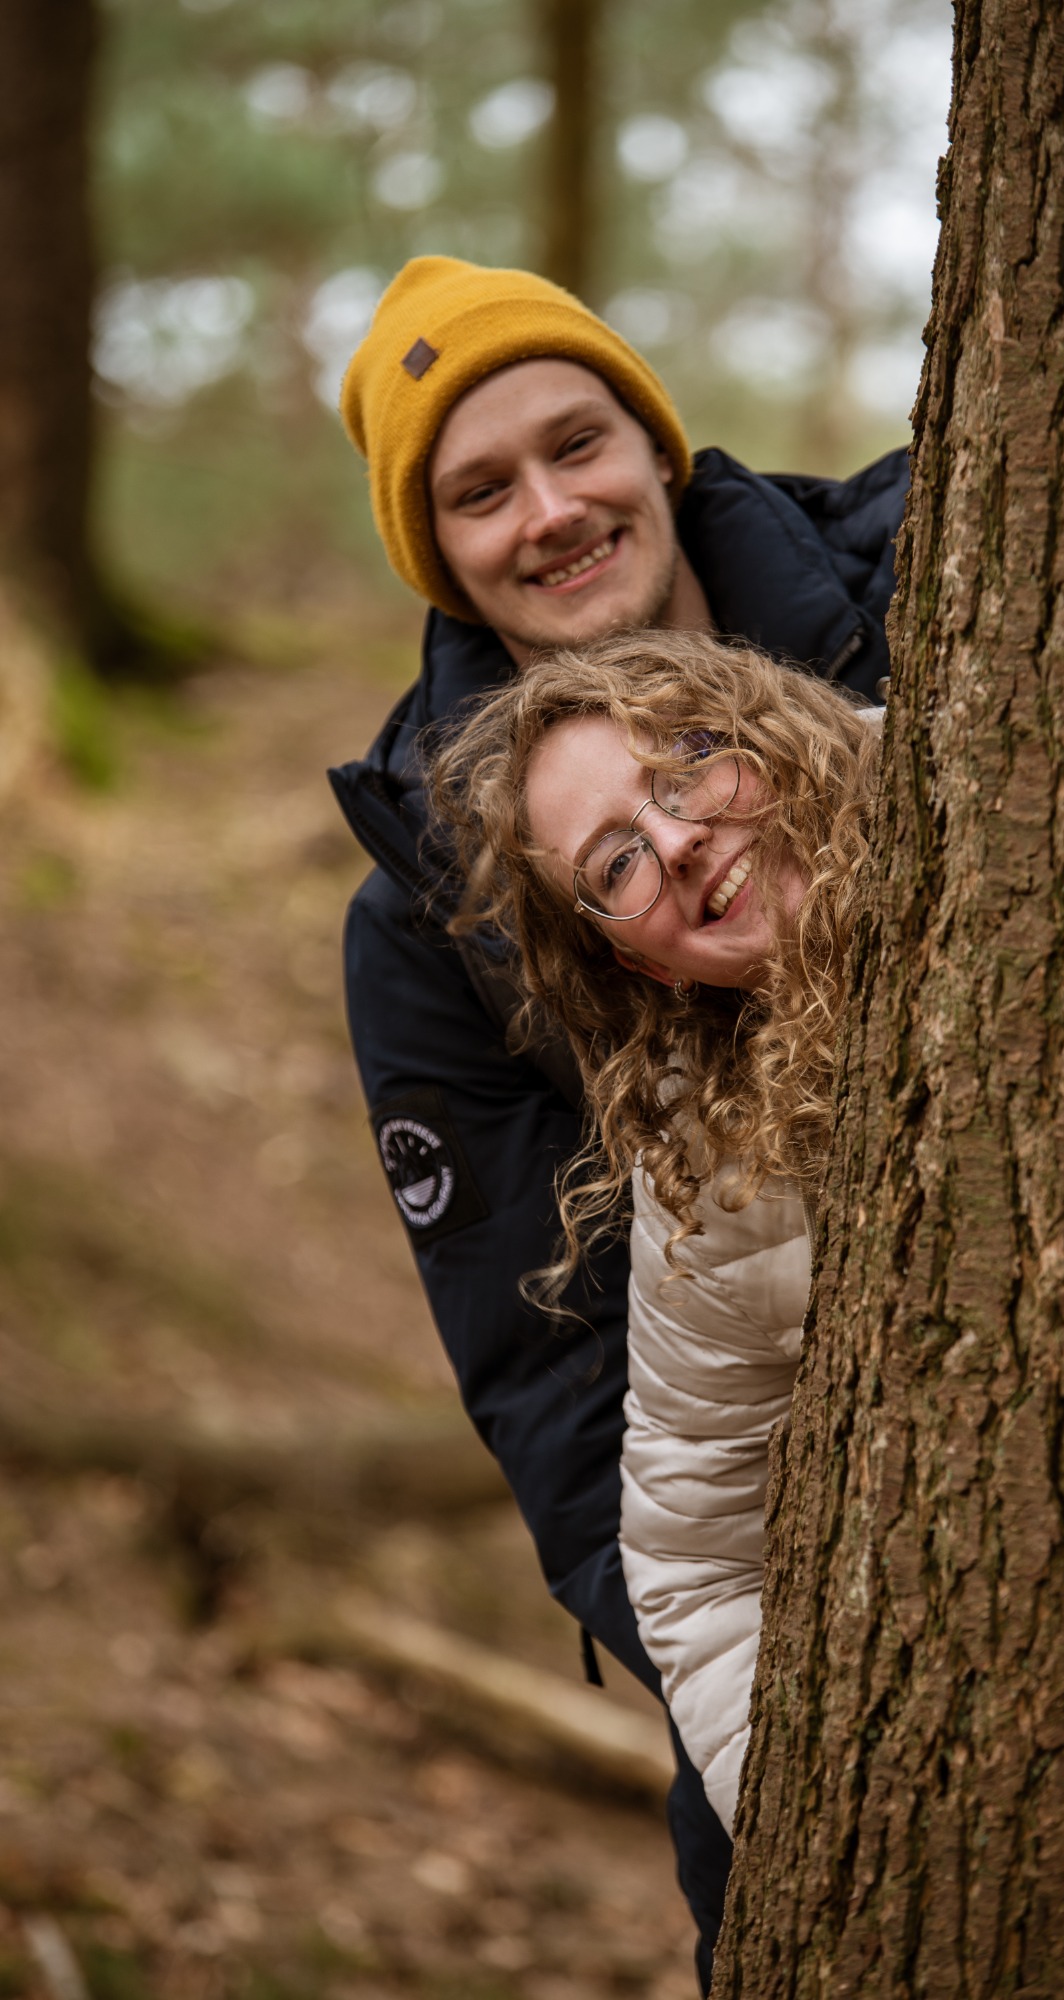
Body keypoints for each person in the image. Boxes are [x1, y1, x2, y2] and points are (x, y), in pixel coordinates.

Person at [327, 254, 908, 1977]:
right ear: (440, 555)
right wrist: (795, 1698)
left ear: (654, 441)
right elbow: (554, 1376)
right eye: (480, 491)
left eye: (576, 443)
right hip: (798, 1547)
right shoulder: (426, 907)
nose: (551, 511)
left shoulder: (922, 569)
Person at [429, 627, 880, 1834]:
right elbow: (691, 1567)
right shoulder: (711, 1175)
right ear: (639, 964)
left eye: (687, 761)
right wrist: (812, 1831)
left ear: (773, 738)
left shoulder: (1010, 787)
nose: (677, 841)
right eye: (616, 861)